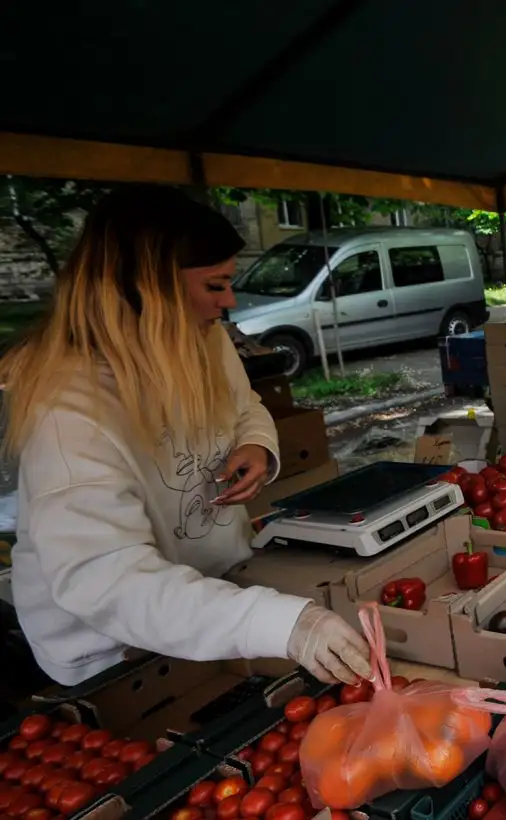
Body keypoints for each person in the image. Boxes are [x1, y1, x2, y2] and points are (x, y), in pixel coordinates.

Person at [3, 185, 371, 687]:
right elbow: (110, 580)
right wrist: (284, 623)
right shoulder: (69, 414)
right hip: (116, 654)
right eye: (215, 285)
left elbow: (245, 407)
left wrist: (257, 444)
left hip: (213, 593)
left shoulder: (200, 335)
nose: (230, 302)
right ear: (147, 292)